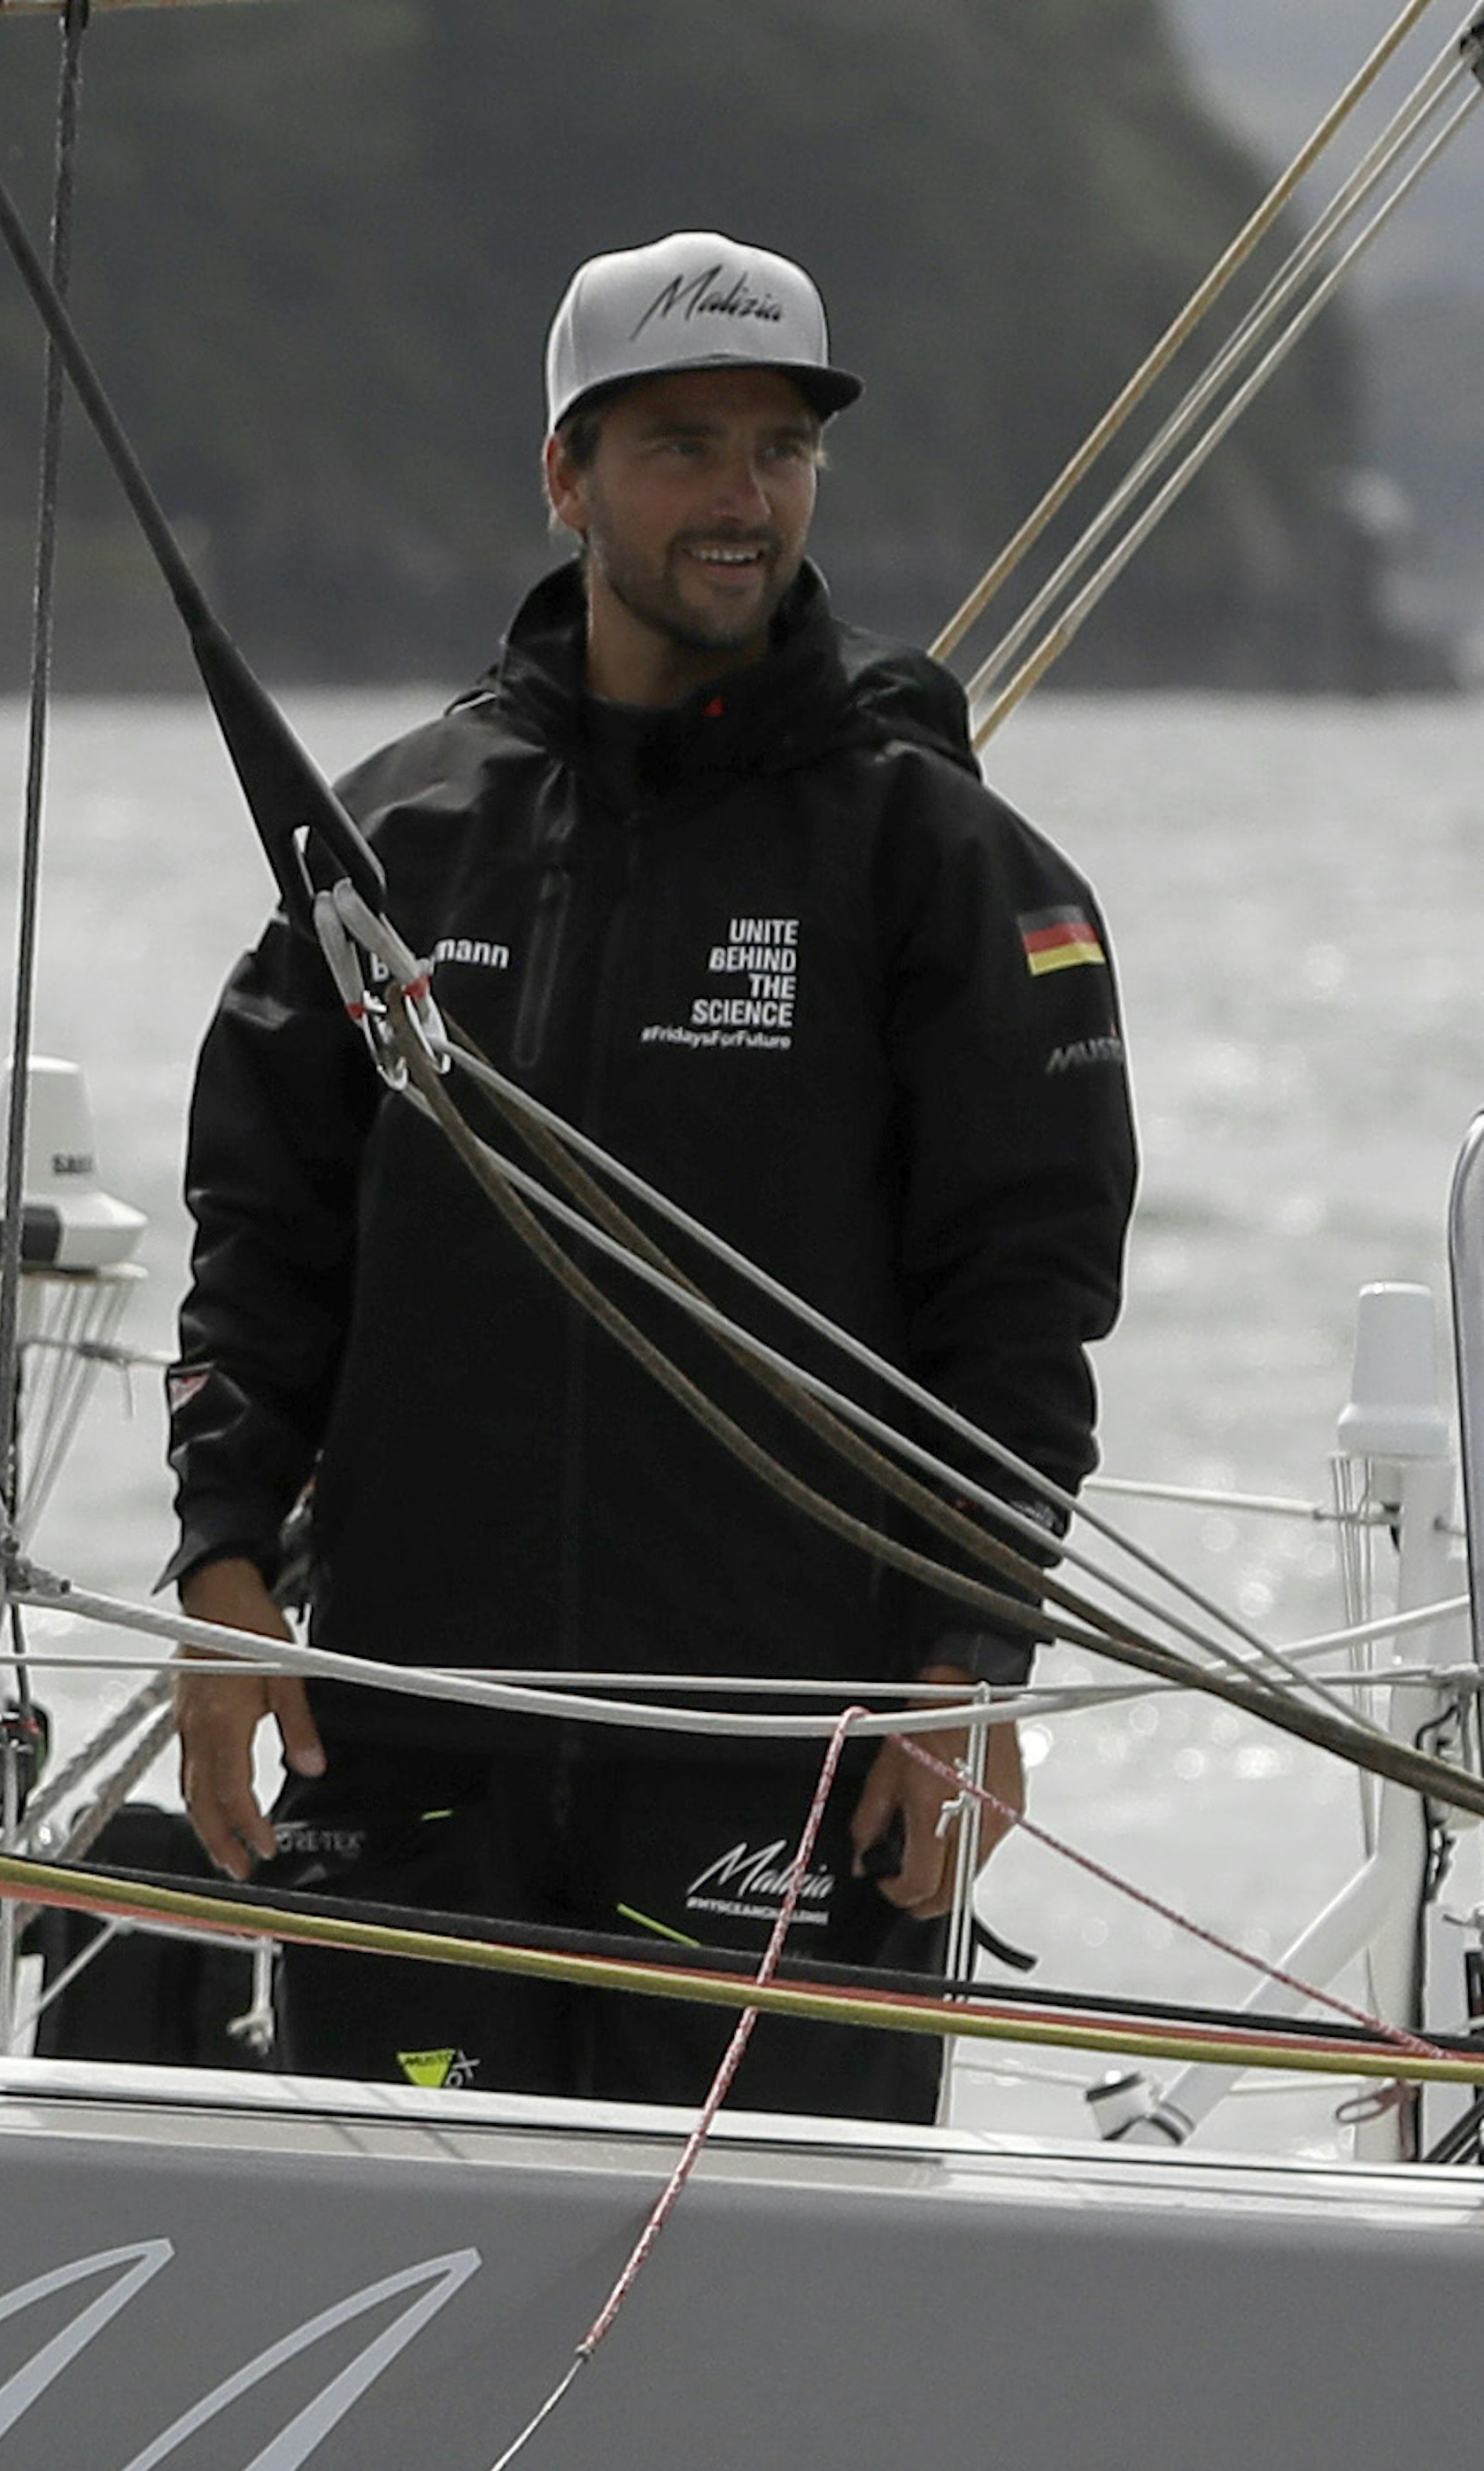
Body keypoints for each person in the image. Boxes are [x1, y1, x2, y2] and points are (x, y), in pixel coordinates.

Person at [164, 232, 1137, 2116]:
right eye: (685, 446)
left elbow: (1028, 1291)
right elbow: (261, 1241)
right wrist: (217, 1570)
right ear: (567, 474)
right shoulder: (395, 840)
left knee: (763, 2366)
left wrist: (973, 1652)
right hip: (411, 1750)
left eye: (780, 449)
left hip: (788, 1763)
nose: (741, 499)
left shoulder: (937, 858)